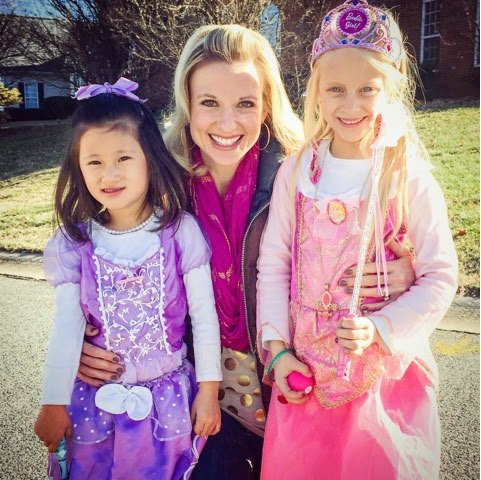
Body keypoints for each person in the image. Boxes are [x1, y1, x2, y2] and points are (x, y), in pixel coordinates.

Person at [74, 26, 416, 480]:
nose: (227, 123)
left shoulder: (305, 175)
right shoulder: (158, 183)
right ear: (187, 104)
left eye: (246, 104)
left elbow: (378, 233)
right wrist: (84, 339)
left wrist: (403, 270)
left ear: (267, 105)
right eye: (209, 103)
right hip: (200, 392)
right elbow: (101, 257)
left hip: (294, 380)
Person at [256, 1, 458, 479]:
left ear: (391, 90)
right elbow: (275, 263)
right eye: (336, 90)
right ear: (316, 92)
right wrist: (278, 349)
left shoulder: (407, 177)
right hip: (304, 375)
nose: (351, 106)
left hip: (379, 384)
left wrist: (382, 328)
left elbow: (440, 276)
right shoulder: (297, 171)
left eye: (367, 89)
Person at [33, 79, 222, 480]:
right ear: (78, 167)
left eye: (123, 157)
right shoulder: (74, 244)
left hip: (167, 404)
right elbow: (66, 329)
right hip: (93, 406)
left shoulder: (180, 232)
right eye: (94, 162)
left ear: (149, 158)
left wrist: (208, 392)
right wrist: (53, 402)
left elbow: (205, 318)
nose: (110, 174)